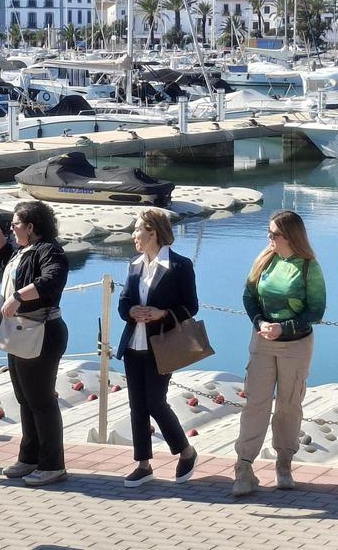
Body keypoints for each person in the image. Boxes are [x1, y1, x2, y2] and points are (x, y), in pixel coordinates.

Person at [232, 210, 326, 496]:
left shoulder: (309, 267)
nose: (269, 238)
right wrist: (261, 322)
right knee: (255, 404)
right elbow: (249, 296)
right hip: (262, 342)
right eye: (268, 233)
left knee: (288, 405)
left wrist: (284, 328)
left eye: (274, 234)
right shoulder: (264, 259)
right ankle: (244, 467)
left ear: (290, 236)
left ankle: (284, 463)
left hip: (295, 346)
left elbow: (316, 311)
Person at [0, 201, 70, 487]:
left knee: (42, 401)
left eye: (16, 224)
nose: (12, 228)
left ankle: (52, 464)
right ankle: (29, 457)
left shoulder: (50, 251)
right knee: (25, 399)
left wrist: (18, 297)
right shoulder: (24, 252)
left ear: (31, 227)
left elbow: (51, 280)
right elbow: (2, 255)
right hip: (20, 332)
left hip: (42, 331)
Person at [114, 209, 199, 488]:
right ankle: (143, 464)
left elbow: (191, 306)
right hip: (133, 345)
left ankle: (186, 451)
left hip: (161, 345)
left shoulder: (180, 266)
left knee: (155, 401)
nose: (134, 235)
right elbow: (123, 303)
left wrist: (162, 313)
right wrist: (132, 311)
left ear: (153, 232)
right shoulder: (134, 265)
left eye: (138, 229)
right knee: (137, 405)